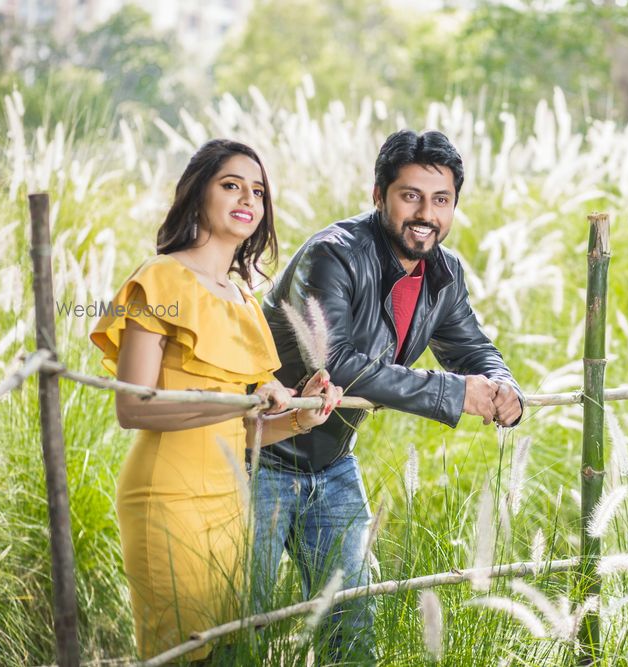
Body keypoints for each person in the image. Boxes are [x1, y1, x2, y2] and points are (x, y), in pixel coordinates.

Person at [256, 129, 524, 662]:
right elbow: (333, 363)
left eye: (441, 199)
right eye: (410, 196)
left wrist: (505, 388)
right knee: (242, 628)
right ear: (379, 195)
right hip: (254, 458)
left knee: (352, 632)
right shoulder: (333, 254)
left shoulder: (443, 275)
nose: (426, 213)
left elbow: (472, 349)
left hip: (331, 464)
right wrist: (454, 393)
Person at [90, 139, 342, 661]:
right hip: (167, 497)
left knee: (226, 652)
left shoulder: (243, 299)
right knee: (180, 651)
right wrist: (242, 404)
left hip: (231, 504)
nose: (247, 197)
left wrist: (300, 415)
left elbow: (245, 430)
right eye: (231, 184)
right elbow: (132, 408)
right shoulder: (159, 277)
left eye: (258, 191)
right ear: (197, 193)